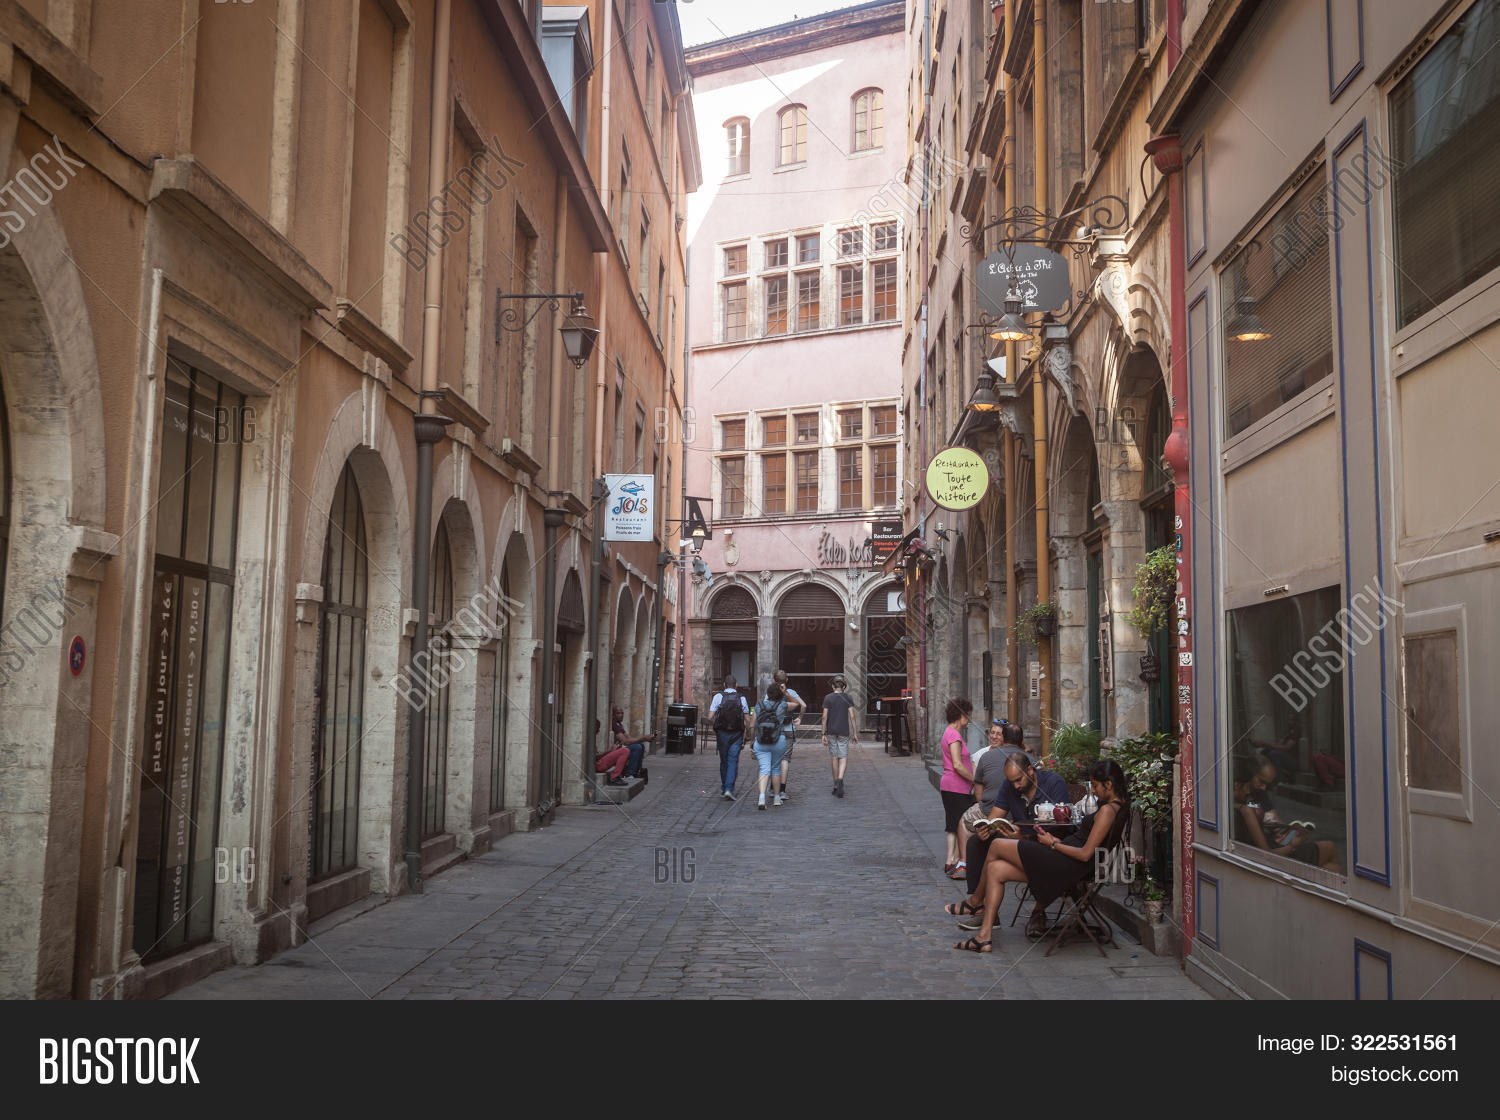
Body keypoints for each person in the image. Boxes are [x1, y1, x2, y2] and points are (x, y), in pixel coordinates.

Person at [951, 759, 1130, 952]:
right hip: (1065, 859)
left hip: (1068, 866)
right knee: (996, 869)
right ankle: (983, 937)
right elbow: (1084, 845)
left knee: (996, 844)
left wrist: (1052, 844)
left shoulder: (1107, 811)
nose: (1093, 791)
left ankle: (974, 902)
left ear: (1109, 784)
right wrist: (1057, 842)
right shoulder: (1117, 808)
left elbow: (1086, 854)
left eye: (1095, 786)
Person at [959, 741, 1071, 937]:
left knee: (1002, 847)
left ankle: (1038, 911)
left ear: (1030, 770)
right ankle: (982, 908)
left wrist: (1025, 835)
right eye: (1012, 782)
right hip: (1020, 838)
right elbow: (995, 815)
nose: (1016, 786)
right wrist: (986, 827)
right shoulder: (1010, 786)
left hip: (1049, 842)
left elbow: (1060, 828)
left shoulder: (1053, 783)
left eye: (1019, 780)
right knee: (977, 842)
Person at [1233, 755, 1339, 870]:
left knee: (1328, 865)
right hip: (1273, 855)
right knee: (1329, 849)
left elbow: (1274, 820)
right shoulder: (1245, 809)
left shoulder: (1256, 794)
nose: (1264, 788)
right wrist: (1293, 845)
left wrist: (1285, 831)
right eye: (1261, 782)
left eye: (1267, 784)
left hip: (1274, 845)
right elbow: (1266, 855)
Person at [938, 698, 976, 879]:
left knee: (953, 824)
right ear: (961, 715)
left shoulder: (949, 732)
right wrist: (975, 780)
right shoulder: (954, 735)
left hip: (951, 786)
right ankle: (959, 861)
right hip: (956, 786)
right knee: (961, 825)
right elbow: (958, 765)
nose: (969, 718)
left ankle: (950, 860)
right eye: (968, 715)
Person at [709, 675, 750, 800]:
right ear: (736, 685)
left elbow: (710, 717)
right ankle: (729, 789)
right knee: (733, 761)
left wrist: (716, 726)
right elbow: (747, 719)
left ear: (724, 685)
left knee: (724, 761)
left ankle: (724, 787)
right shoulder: (741, 698)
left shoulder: (718, 697)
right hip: (737, 734)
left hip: (722, 733)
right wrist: (746, 734)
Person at [752, 683, 790, 810]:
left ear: (767, 694)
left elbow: (752, 725)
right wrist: (785, 693)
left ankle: (762, 798)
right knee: (775, 769)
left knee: (764, 769)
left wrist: (751, 740)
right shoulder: (783, 705)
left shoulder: (759, 705)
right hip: (778, 740)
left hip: (761, 741)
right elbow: (798, 704)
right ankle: (777, 798)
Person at [821, 674, 858, 797]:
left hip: (831, 731)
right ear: (844, 687)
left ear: (833, 686)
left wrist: (823, 733)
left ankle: (836, 785)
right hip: (844, 731)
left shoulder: (828, 698)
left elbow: (824, 716)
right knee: (843, 757)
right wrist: (855, 733)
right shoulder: (848, 698)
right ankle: (841, 778)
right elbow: (852, 716)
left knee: (834, 757)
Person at [772, 668, 805, 798]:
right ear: (787, 680)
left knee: (774, 759)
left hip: (774, 730)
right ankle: (782, 790)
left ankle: (772, 788)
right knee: (785, 760)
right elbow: (803, 705)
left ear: (773, 680)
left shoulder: (770, 692)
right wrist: (800, 718)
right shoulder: (791, 692)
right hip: (788, 729)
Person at [610, 706, 653, 782]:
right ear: (613, 715)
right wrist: (644, 738)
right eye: (618, 713)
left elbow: (629, 738)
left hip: (621, 748)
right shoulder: (614, 724)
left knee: (641, 746)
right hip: (616, 750)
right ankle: (629, 774)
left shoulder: (619, 725)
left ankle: (636, 771)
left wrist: (644, 738)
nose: (621, 715)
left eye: (622, 713)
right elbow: (625, 741)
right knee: (637, 747)